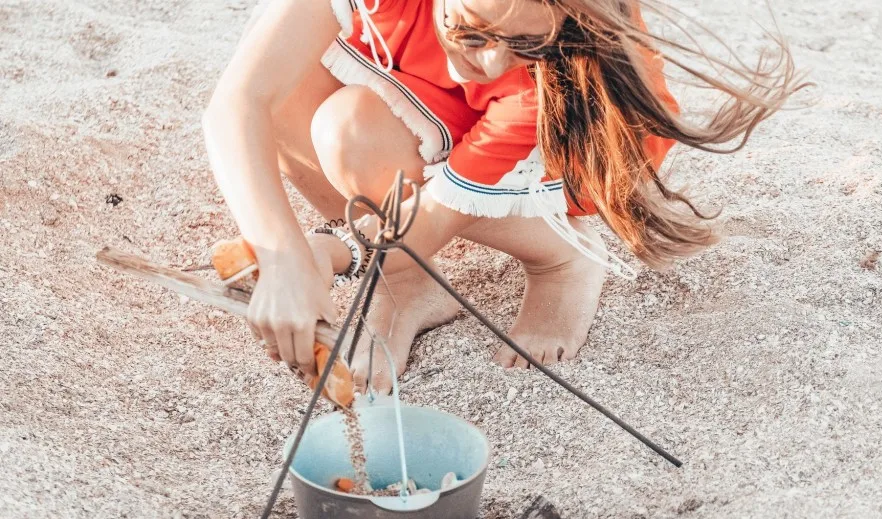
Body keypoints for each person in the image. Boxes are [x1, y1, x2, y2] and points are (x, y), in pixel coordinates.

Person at [203, 0, 804, 392]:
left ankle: (560, 258)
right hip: (426, 87)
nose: (486, 63)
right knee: (289, 91)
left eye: (521, 43)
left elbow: (431, 218)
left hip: (566, 145)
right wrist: (281, 255)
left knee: (350, 134)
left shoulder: (543, 70)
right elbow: (238, 103)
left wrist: (329, 257)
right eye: (470, 29)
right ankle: (407, 281)